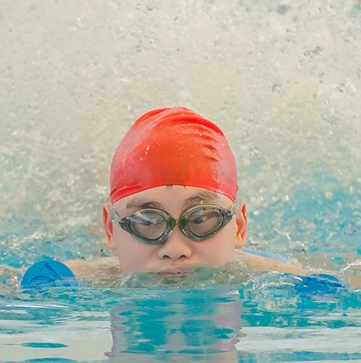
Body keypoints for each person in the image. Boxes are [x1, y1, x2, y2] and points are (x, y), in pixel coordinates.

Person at [23, 106, 341, 289]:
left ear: (240, 227)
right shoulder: (91, 277)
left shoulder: (272, 275)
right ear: (110, 229)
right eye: (147, 221)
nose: (174, 249)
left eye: (201, 219)